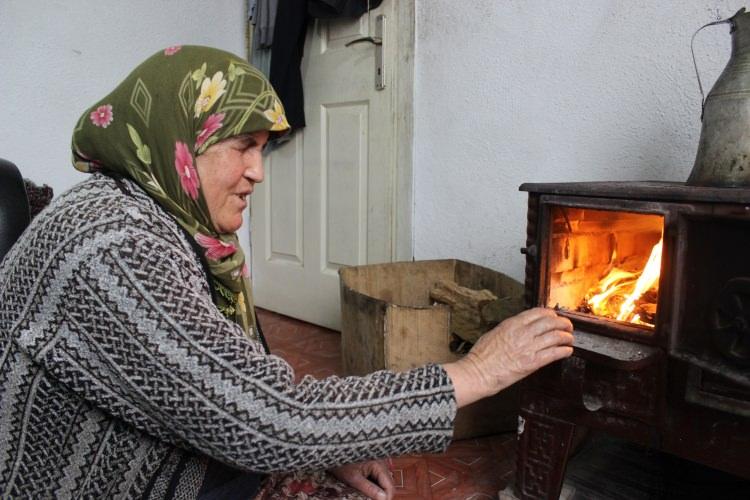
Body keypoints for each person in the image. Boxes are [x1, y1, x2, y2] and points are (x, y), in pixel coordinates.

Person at [0, 46, 574, 499]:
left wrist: (324, 445)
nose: (258, 171)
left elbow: (231, 381)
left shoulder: (155, 217)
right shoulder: (113, 248)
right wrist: (477, 371)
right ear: (180, 140)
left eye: (262, 149)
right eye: (243, 146)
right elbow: (268, 418)